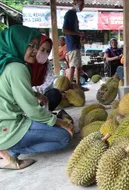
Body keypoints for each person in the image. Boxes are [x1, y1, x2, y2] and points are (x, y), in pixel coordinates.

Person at [0, 25, 73, 170]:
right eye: (30, 46)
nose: (35, 50)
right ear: (17, 43)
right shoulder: (17, 68)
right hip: (10, 127)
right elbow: (32, 111)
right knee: (65, 137)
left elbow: (9, 89)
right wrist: (61, 123)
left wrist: (35, 94)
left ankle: (9, 150)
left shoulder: (5, 64)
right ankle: (11, 149)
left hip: (4, 124)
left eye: (36, 46)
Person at [30, 35, 62, 112]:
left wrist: (40, 94)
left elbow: (49, 80)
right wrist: (35, 94)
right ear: (36, 48)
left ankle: (45, 113)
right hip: (27, 94)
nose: (45, 53)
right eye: (42, 49)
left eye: (48, 51)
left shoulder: (47, 63)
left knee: (55, 94)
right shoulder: (27, 61)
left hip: (42, 95)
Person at [62, 0, 87, 90]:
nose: (82, 7)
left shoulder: (74, 15)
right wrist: (78, 34)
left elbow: (73, 31)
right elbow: (64, 30)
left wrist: (79, 34)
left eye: (83, 5)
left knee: (77, 66)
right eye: (81, 5)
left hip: (75, 43)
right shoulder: (69, 14)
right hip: (72, 44)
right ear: (75, 3)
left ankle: (76, 85)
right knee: (74, 66)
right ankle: (72, 86)